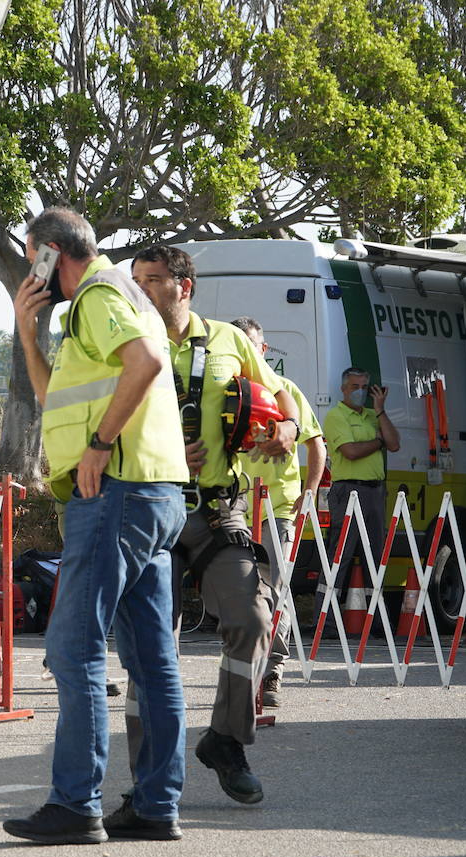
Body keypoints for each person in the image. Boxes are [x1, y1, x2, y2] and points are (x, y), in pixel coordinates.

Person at [0, 207, 188, 845]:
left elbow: (144, 365)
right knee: (152, 659)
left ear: (54, 253)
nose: (33, 273)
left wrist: (101, 444)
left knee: (73, 648)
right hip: (155, 494)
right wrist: (29, 334)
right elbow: (58, 396)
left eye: (35, 261)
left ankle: (75, 803)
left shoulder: (100, 294)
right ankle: (157, 804)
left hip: (115, 494)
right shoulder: (117, 296)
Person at [119, 245, 298, 810]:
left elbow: (281, 396)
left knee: (252, 617)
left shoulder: (229, 340)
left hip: (218, 510)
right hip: (149, 506)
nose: (142, 290)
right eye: (136, 280)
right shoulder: (121, 341)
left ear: (185, 286)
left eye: (153, 280)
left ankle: (225, 741)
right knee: (150, 646)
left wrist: (288, 429)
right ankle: (149, 778)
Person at [229, 316, 326, 708]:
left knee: (275, 590)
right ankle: (242, 668)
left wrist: (310, 491)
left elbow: (317, 445)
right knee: (241, 592)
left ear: (264, 350)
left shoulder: (285, 391)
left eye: (253, 347)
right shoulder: (229, 394)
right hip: (235, 504)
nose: (248, 355)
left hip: (277, 507)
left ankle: (273, 670)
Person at [320, 368, 400, 610]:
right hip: (348, 491)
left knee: (374, 558)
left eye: (364, 387)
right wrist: (378, 442)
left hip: (375, 491)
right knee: (340, 557)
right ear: (344, 389)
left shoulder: (372, 415)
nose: (360, 392)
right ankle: (325, 619)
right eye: (355, 387)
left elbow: (394, 444)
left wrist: (380, 410)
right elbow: (351, 452)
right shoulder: (336, 416)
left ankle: (375, 622)